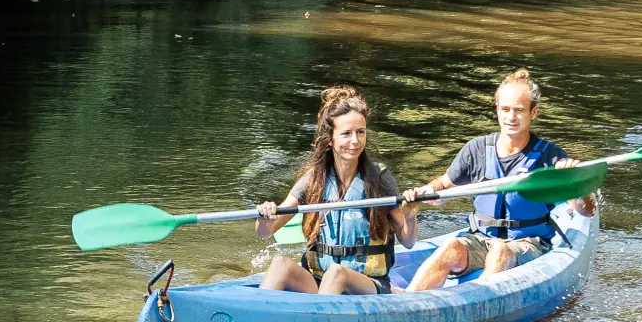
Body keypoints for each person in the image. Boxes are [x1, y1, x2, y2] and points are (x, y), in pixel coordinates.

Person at [401, 69, 596, 292]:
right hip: (481, 238)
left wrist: (575, 183)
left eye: (519, 110)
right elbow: (444, 185)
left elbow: (586, 211)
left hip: (528, 242)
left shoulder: (549, 156)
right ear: (497, 110)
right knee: (451, 247)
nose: (511, 117)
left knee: (500, 250)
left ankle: (477, 303)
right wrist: (427, 191)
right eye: (505, 109)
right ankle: (407, 300)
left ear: (533, 112)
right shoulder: (477, 150)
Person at [253, 86, 420, 295]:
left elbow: (409, 241)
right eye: (346, 134)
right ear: (330, 139)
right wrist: (266, 217)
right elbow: (264, 233)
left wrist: (410, 216)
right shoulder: (314, 179)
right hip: (320, 282)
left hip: (367, 284)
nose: (355, 141)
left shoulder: (379, 178)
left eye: (361, 132)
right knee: (280, 264)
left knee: (337, 273)